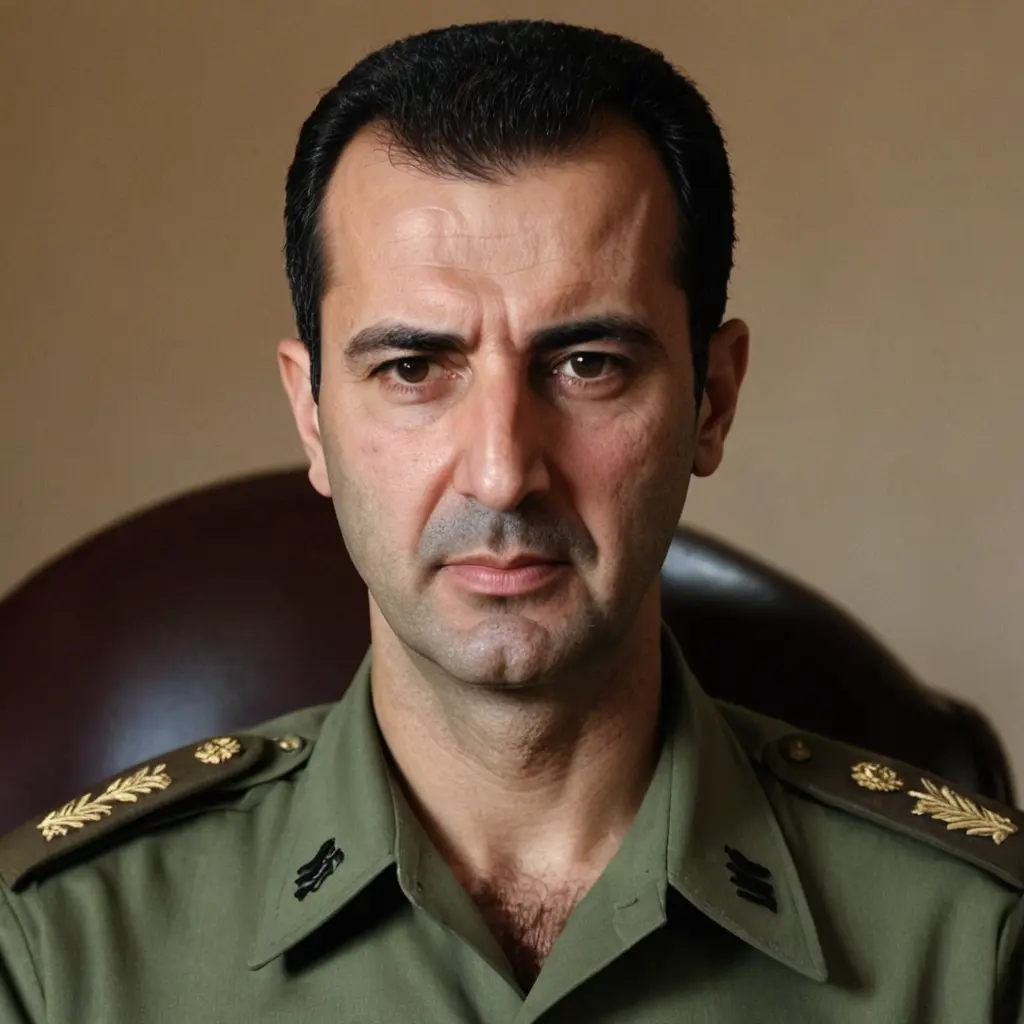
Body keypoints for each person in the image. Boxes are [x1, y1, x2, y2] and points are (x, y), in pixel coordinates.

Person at [0, 19, 1021, 1023]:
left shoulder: (976, 946)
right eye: (413, 368)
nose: (500, 475)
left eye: (587, 365)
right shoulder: (58, 955)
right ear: (312, 415)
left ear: (711, 400)